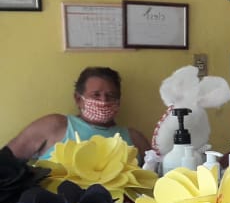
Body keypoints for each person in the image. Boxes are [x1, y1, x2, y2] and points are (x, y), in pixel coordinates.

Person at [6, 66, 152, 161]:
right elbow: (6, 161)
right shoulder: (54, 126)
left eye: (111, 95)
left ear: (118, 101)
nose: (103, 101)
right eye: (96, 95)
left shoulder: (135, 138)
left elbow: (156, 178)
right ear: (78, 99)